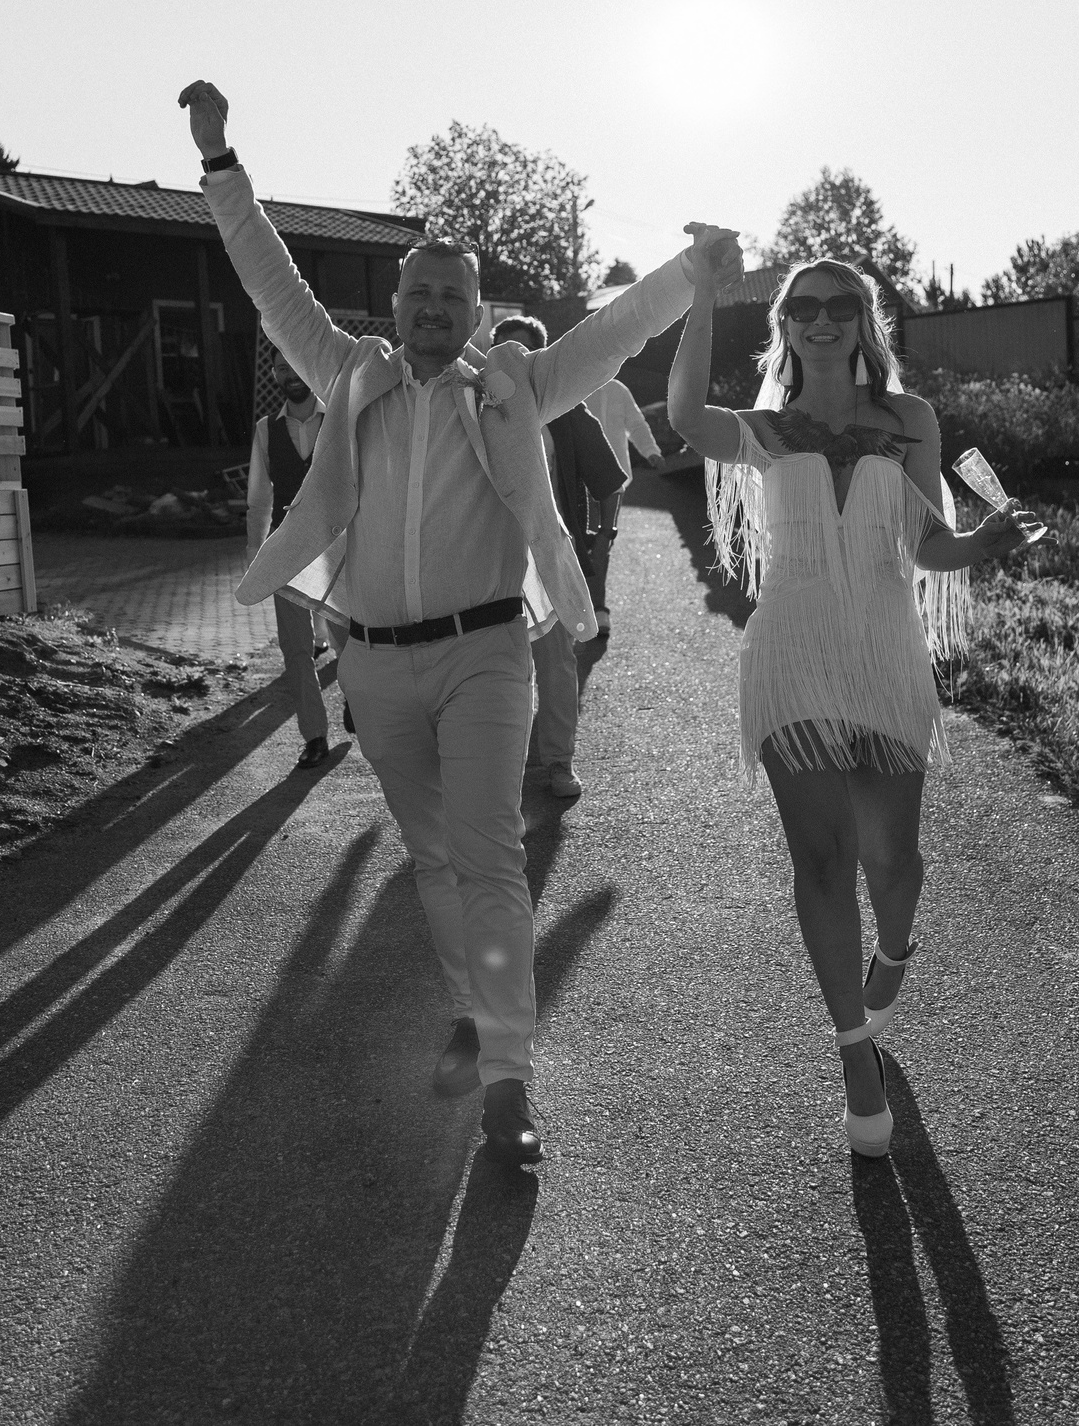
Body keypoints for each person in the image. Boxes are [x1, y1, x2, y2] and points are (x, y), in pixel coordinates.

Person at [179, 79, 737, 1166]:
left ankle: (506, 1084)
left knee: (483, 856)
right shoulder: (344, 373)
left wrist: (688, 272)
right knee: (433, 857)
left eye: (454, 295)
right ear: (396, 305)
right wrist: (218, 161)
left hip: (488, 655)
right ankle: (477, 1009)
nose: (434, 308)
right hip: (374, 667)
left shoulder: (517, 384)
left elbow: (613, 333)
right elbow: (266, 277)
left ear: (478, 311)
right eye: (419, 292)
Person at [666, 257, 1034, 1157]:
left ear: (865, 323)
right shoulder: (761, 427)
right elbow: (682, 417)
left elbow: (928, 545)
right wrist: (703, 292)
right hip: (789, 650)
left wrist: (982, 542)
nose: (822, 320)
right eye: (804, 307)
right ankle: (854, 1049)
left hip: (883, 651)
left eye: (841, 305)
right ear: (784, 326)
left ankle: (896, 946)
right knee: (824, 859)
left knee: (891, 860)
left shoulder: (908, 420)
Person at [491, 315, 628, 803]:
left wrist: (601, 537)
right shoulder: (473, 405)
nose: (508, 359)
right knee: (492, 666)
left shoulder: (567, 412)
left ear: (540, 359)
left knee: (554, 664)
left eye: (521, 351)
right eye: (499, 347)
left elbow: (609, 480)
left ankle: (556, 761)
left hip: (545, 559)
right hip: (487, 561)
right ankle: (499, 763)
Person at [247, 353, 346, 769]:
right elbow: (257, 501)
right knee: (297, 649)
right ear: (274, 374)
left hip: (338, 547)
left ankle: (356, 700)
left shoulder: (338, 421)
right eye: (281, 368)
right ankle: (315, 736)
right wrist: (257, 562)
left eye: (296, 365)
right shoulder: (266, 431)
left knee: (348, 638)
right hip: (287, 550)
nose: (290, 375)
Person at [583, 376, 662, 632]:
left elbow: (636, 425)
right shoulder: (571, 384)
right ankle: (577, 606)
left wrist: (651, 451)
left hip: (613, 482)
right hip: (578, 479)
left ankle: (597, 608)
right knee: (580, 542)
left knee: (602, 542)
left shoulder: (618, 389)